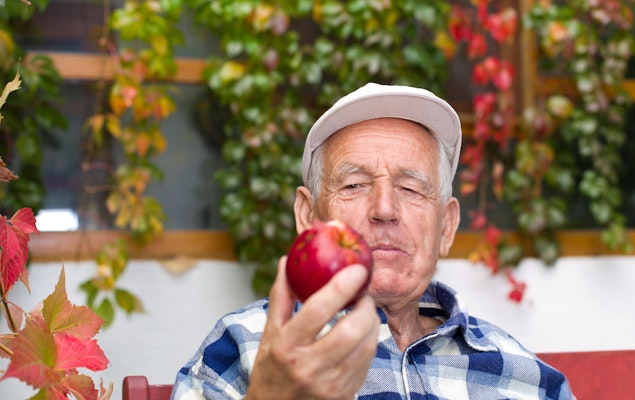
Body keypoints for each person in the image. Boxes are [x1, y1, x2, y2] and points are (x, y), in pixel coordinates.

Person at [172, 83, 575, 399]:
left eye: (412, 189)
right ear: (308, 216)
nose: (384, 208)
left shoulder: (523, 374)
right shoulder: (247, 347)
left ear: (447, 227)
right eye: (354, 184)